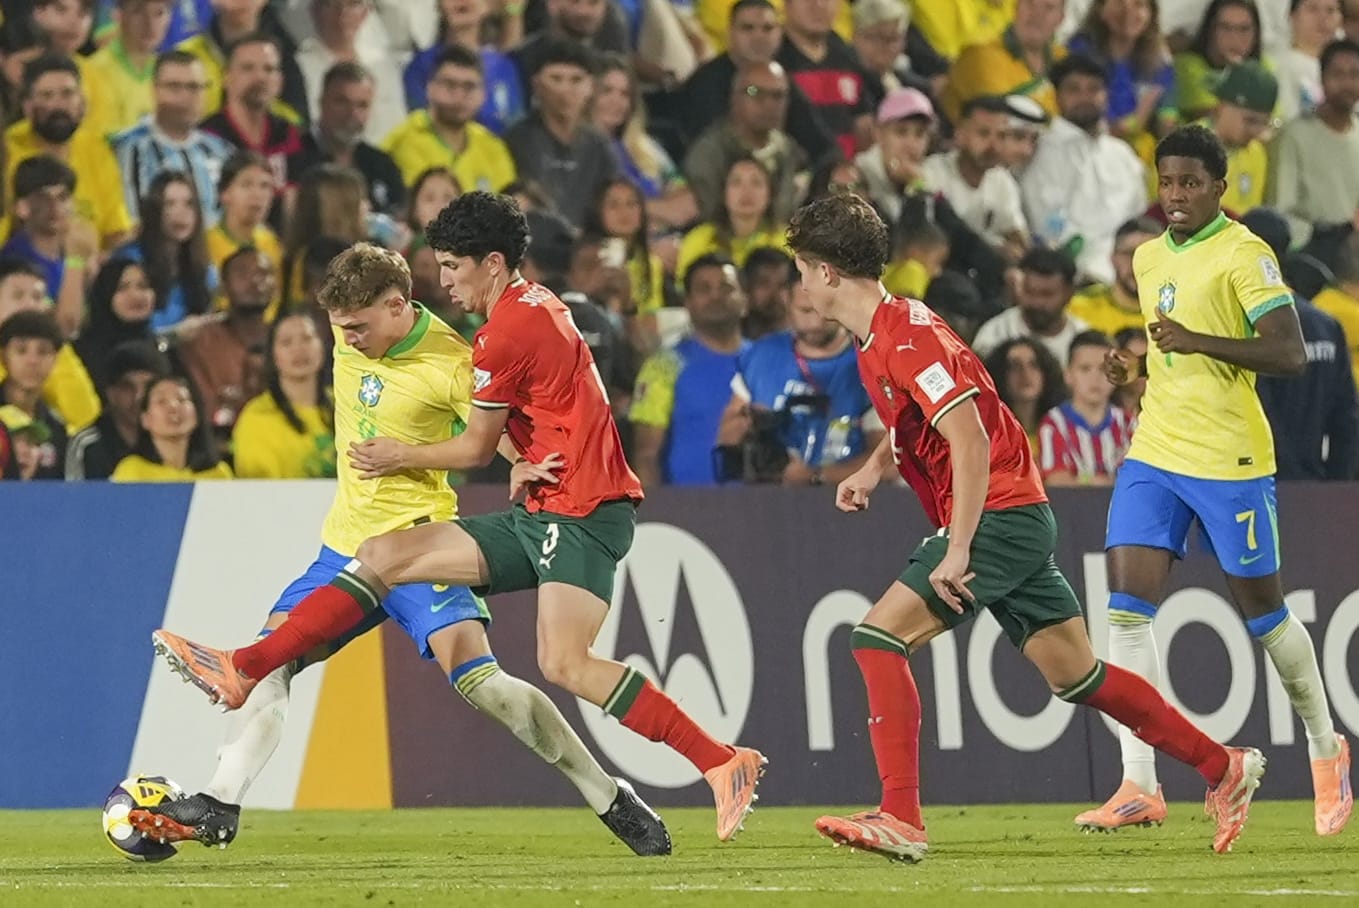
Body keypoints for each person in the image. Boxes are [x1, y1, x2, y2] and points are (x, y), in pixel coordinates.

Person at [146, 193, 766, 844]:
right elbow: (522, 406)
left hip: (564, 512)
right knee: (334, 604)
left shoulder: (467, 352)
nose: (445, 281)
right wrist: (525, 456)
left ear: (400, 304)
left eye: (451, 266)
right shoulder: (409, 322)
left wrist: (424, 455)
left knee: (535, 673)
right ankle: (222, 790)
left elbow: (478, 436)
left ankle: (641, 786)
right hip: (363, 544)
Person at [784, 191, 1267, 861]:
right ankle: (1223, 767)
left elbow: (971, 439)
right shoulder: (885, 333)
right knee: (1078, 675)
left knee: (875, 638)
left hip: (996, 515)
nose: (800, 283)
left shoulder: (904, 336)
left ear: (826, 273)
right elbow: (923, 422)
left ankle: (900, 817)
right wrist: (872, 468)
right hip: (1016, 513)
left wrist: (956, 548)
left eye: (803, 269)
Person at [1076, 124, 1352, 837]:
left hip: (1229, 460)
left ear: (1218, 188)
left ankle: (1325, 747)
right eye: (1166, 182)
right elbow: (1171, 355)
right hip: (1155, 450)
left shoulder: (1243, 254)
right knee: (1124, 612)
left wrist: (1194, 341)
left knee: (1264, 617)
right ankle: (1139, 783)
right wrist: (1133, 367)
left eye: (1189, 183)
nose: (1174, 195)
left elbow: (1289, 354)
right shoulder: (1144, 257)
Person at [109, 373, 232, 480]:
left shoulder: (218, 473)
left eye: (182, 399)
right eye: (161, 401)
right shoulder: (132, 470)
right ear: (145, 419)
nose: (173, 406)